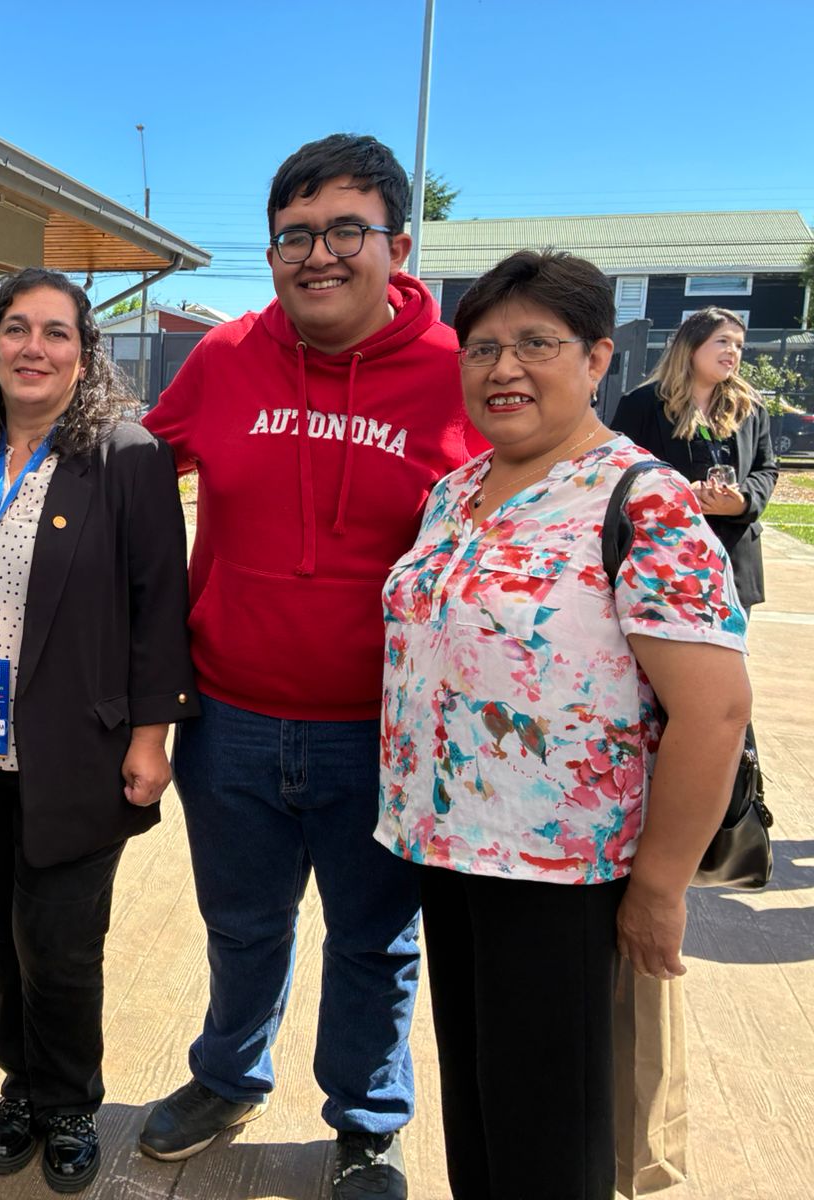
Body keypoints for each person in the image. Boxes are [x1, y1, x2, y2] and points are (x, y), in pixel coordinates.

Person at [137, 134, 479, 1198]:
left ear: (396, 243)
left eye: (344, 230)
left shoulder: (457, 373)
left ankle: (365, 1124)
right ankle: (229, 1075)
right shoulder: (225, 357)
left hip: (385, 735)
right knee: (243, 926)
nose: (317, 253)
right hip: (228, 722)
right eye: (294, 233)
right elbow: (133, 480)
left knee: (375, 945)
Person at [379, 251, 751, 1200]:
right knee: (479, 1112)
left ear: (596, 359)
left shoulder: (643, 501)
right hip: (450, 852)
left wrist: (661, 888)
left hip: (565, 877)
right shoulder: (454, 493)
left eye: (535, 344)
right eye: (483, 348)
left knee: (553, 1138)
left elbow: (714, 710)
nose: (503, 368)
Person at [0, 268, 197, 1193]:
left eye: (56, 333)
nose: (33, 347)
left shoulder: (126, 458)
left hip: (74, 747)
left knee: (59, 940)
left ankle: (69, 1102)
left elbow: (159, 606)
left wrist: (152, 738)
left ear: (83, 353)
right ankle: (18, 1085)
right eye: (15, 329)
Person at [611, 306, 779, 615]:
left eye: (739, 345)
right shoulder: (643, 404)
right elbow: (618, 470)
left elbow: (766, 468)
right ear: (691, 346)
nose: (733, 351)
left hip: (733, 559)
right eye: (723, 341)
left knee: (728, 657)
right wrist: (679, 494)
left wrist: (742, 503)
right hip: (664, 557)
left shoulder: (750, 407)